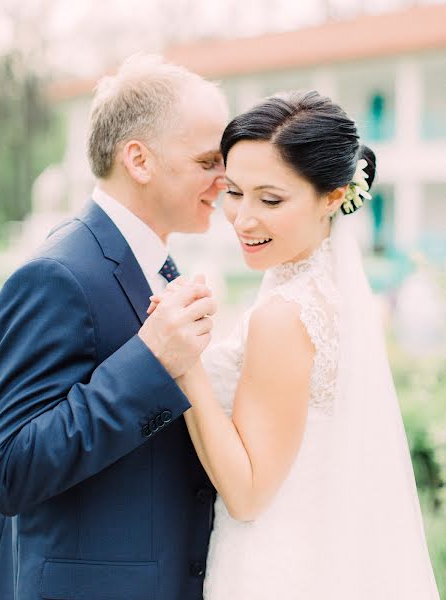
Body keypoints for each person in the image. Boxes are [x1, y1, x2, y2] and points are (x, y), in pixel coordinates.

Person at [152, 91, 440, 598]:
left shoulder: (285, 315)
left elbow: (247, 493)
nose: (242, 218)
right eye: (234, 192)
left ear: (332, 197)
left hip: (268, 570)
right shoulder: (326, 290)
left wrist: (186, 362)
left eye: (271, 199)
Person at [0, 54, 228, 600]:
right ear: (139, 160)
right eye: (207, 161)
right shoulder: (57, 274)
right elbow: (10, 468)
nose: (225, 180)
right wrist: (149, 363)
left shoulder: (158, 268)